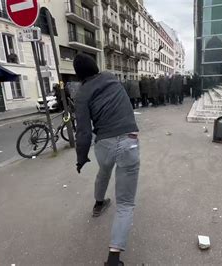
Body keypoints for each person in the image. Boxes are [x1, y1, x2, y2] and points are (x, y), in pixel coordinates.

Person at [73, 54, 140, 266]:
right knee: (126, 203)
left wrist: (81, 158)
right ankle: (113, 259)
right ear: (95, 67)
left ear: (78, 75)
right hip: (129, 140)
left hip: (103, 144)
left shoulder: (81, 93)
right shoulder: (111, 77)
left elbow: (83, 132)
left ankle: (98, 204)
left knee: (104, 171)